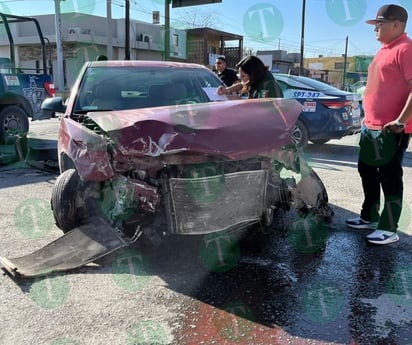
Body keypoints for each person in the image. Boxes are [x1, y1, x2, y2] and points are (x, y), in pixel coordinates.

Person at [346, 4, 412, 244]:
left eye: (380, 24)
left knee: (390, 176)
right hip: (371, 126)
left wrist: (400, 121)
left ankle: (389, 229)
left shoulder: (405, 48)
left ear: (396, 24)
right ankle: (369, 217)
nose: (375, 28)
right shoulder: (384, 49)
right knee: (366, 170)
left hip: (391, 129)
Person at [217, 55, 283, 98]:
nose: (241, 79)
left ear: (253, 74)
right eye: (240, 75)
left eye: (243, 76)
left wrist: (239, 101)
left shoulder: (267, 86)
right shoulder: (256, 79)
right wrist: (227, 90)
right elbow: (242, 84)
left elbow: (261, 109)